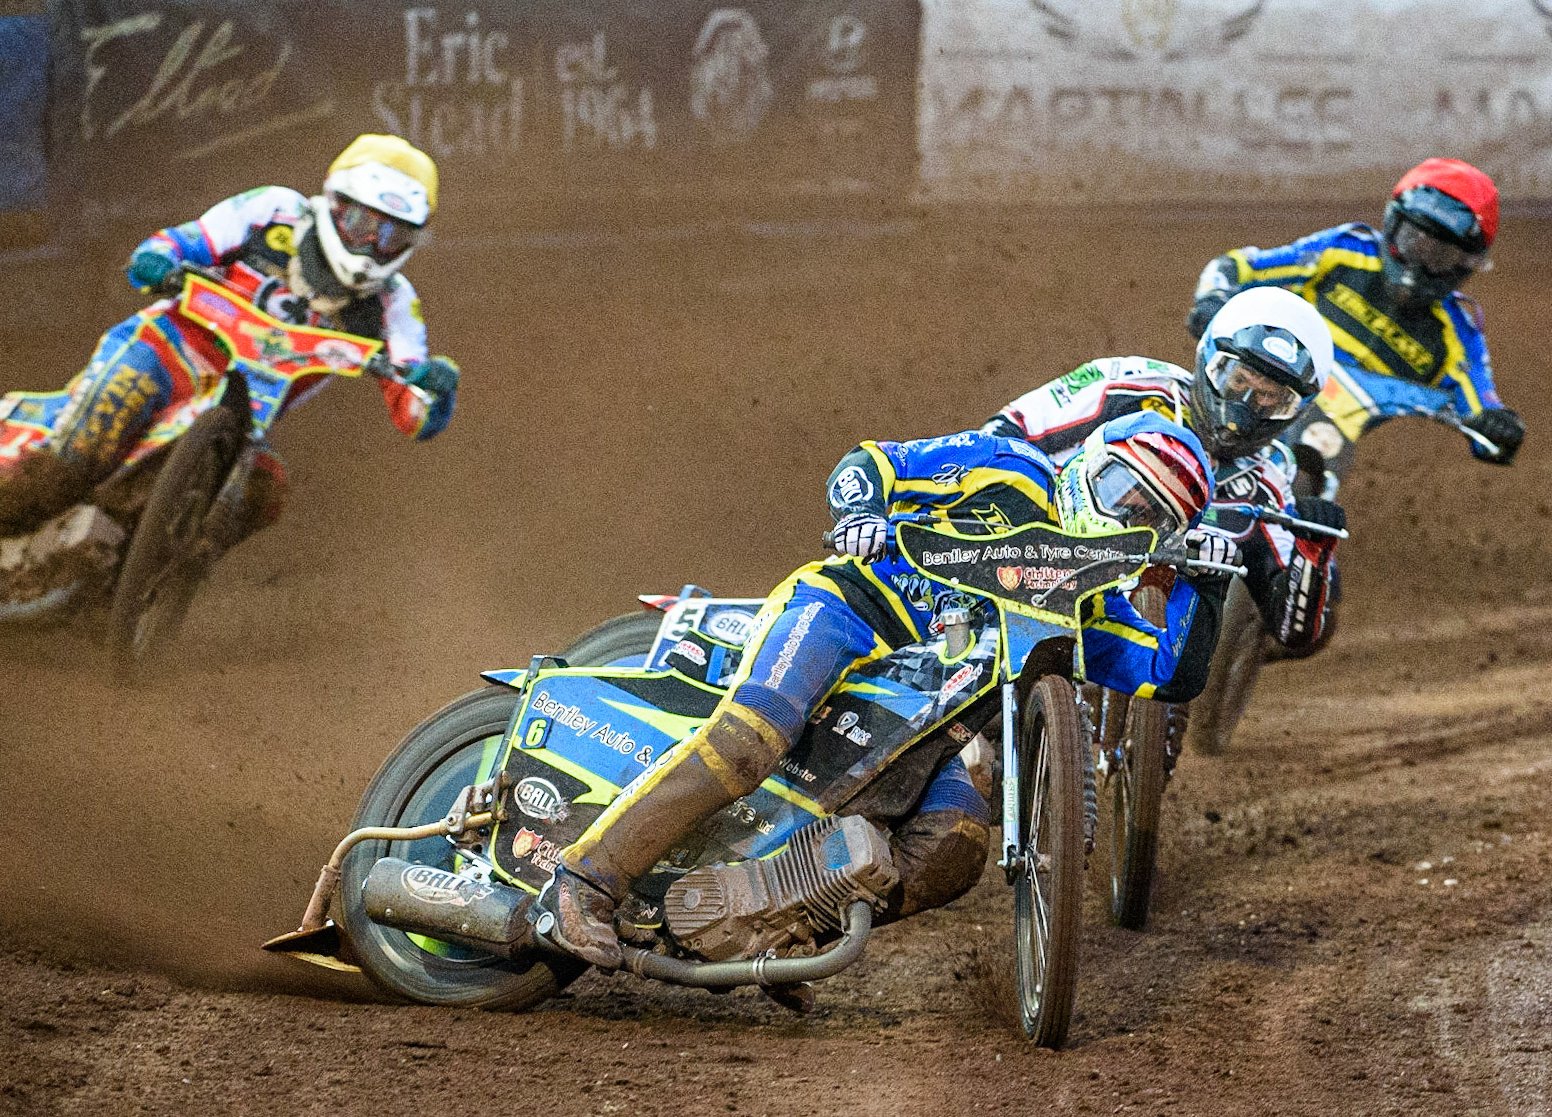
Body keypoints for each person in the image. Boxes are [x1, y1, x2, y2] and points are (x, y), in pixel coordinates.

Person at [539, 414, 1238, 969]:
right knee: (750, 741)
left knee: (953, 848)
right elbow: (873, 461)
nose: (1124, 519)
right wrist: (861, 514)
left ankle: (769, 930)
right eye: (1122, 492)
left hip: (933, 723)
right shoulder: (1011, 467)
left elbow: (1169, 674)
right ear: (1089, 464)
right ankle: (583, 883)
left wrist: (1205, 587)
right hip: (849, 611)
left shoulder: (1092, 605)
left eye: (1150, 518)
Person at [0, 133, 459, 611]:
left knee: (263, 489)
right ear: (334, 204)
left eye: (391, 234)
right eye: (362, 224)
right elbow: (182, 243)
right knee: (70, 464)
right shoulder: (273, 211)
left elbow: (414, 409)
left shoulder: (393, 305)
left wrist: (436, 389)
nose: (371, 244)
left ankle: (136, 588)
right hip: (164, 353)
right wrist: (158, 261)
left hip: (242, 416)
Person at [988, 288, 1345, 660]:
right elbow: (1008, 429)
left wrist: (1312, 553)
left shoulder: (1268, 487)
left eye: (1269, 397)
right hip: (1034, 547)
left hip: (1138, 634)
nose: (1242, 409)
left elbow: (1294, 631)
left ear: (1296, 411)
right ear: (1209, 359)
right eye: (1238, 381)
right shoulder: (1128, 385)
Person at [1187, 158, 1522, 496]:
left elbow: (1484, 412)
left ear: (1465, 264)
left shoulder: (1458, 334)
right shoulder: (1346, 250)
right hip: (1271, 378)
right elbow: (1238, 266)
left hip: (1327, 433)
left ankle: (1289, 519)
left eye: (1441, 256)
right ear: (1392, 225)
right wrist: (1212, 298)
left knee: (1319, 446)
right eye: (1413, 241)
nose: (1420, 263)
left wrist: (1502, 428)